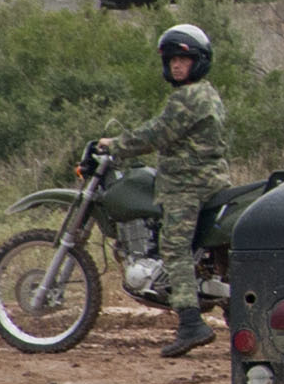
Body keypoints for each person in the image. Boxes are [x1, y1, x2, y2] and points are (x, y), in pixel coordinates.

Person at [97, 22, 229, 357]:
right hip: (205, 179)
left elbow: (156, 133)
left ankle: (190, 323)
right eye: (171, 60)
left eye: (183, 60)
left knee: (174, 248)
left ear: (198, 62)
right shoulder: (206, 92)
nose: (176, 65)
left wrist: (116, 145)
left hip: (189, 184)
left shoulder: (188, 97)